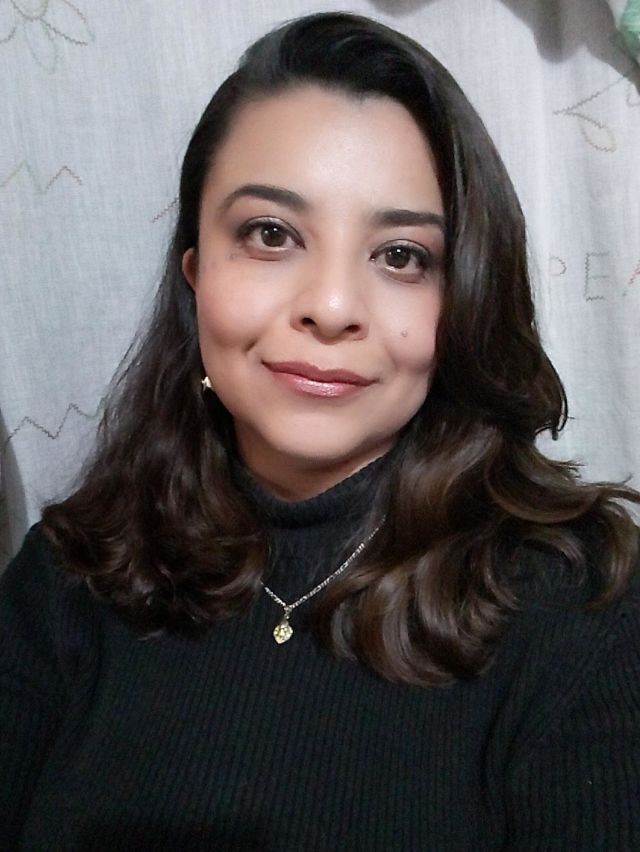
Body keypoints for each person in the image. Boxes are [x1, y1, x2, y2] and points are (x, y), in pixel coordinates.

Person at [1, 11, 639, 851]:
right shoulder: (65, 578)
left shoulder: (584, 608)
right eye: (271, 235)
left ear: (464, 298)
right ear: (195, 274)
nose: (332, 308)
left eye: (401, 255)